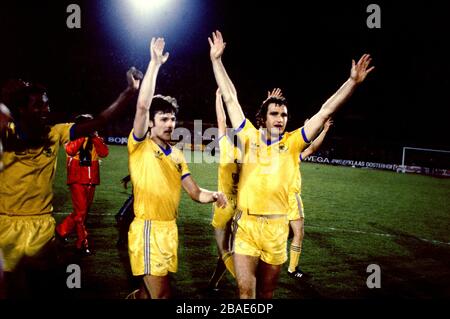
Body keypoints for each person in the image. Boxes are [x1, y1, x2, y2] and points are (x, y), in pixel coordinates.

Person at [209, 30, 374, 298]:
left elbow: (326, 110)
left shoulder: (294, 142)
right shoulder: (249, 136)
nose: (280, 118)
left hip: (276, 230)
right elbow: (230, 98)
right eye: (274, 113)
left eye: (284, 114)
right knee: (245, 294)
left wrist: (352, 82)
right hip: (247, 228)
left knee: (266, 295)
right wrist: (217, 61)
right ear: (263, 118)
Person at [0, 67, 142, 297]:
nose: (46, 109)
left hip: (41, 225)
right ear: (22, 109)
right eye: (38, 105)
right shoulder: (6, 134)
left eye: (47, 104)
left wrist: (129, 91)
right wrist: (6, 99)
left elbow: (102, 119)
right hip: (6, 225)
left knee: (42, 288)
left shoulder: (56, 133)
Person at [126, 37, 227, 299]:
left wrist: (213, 195)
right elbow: (142, 105)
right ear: (150, 123)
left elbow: (194, 192)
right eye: (163, 119)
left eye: (172, 119)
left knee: (148, 295)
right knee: (162, 296)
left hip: (169, 230)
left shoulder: (178, 154)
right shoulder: (140, 145)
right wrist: (155, 64)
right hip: (148, 229)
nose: (170, 124)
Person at [55, 114, 109, 255]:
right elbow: (70, 150)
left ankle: (61, 231)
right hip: (77, 178)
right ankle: (82, 242)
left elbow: (104, 153)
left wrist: (94, 137)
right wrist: (82, 136)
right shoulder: (73, 138)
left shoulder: (95, 138)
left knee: (82, 212)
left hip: (92, 180)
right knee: (81, 212)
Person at [287, 117, 333, 279]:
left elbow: (309, 146)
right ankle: (292, 269)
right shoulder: (292, 155)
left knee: (286, 233)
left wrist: (321, 130)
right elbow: (311, 148)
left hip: (275, 198)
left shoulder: (276, 152)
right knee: (298, 233)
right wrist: (323, 130)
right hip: (291, 198)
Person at [207, 88, 241, 291]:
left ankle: (243, 280)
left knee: (223, 250)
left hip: (222, 203)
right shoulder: (249, 158)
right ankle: (213, 283)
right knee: (233, 250)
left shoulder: (226, 149)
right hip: (240, 205)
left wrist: (217, 97)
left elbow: (222, 121)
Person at [115, 174, 134, 249]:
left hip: (142, 193)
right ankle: (123, 239)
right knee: (123, 216)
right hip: (140, 193)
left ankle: (123, 239)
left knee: (123, 216)